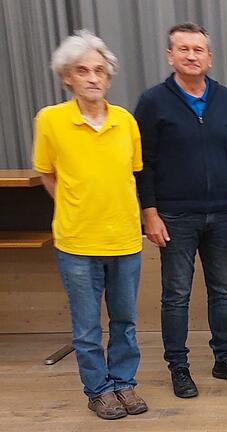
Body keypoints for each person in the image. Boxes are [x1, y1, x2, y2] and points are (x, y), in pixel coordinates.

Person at [134, 22, 227, 399]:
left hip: (220, 214)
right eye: (183, 49)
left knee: (224, 291)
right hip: (174, 217)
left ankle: (224, 358)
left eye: (198, 49)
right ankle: (179, 367)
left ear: (209, 57)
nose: (191, 55)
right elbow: (143, 164)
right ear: (170, 55)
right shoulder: (153, 102)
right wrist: (149, 213)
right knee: (177, 295)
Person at [33, 30, 147, 420]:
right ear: (68, 76)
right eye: (83, 71)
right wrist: (75, 207)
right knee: (85, 328)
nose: (93, 78)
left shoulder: (126, 122)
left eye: (100, 71)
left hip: (125, 241)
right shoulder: (50, 121)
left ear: (109, 78)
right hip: (77, 243)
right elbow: (48, 175)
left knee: (125, 322)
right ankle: (98, 390)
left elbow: (132, 175)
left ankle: (124, 384)